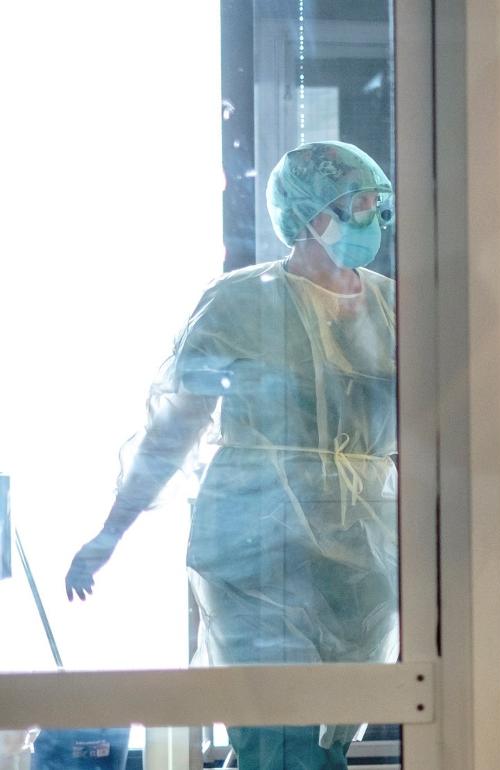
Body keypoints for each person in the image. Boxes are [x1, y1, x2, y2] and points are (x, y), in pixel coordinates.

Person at [64, 141, 398, 770]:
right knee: (274, 736)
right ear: (307, 214)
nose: (372, 220)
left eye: (380, 206)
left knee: (332, 735)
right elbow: (173, 429)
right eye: (357, 204)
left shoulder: (393, 305)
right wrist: (111, 531)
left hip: (363, 546)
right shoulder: (239, 304)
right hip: (255, 542)